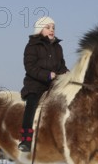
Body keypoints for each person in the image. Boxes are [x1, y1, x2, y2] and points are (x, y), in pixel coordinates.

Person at [18, 16, 68, 152]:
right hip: (35, 83)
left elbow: (62, 67)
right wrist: (47, 75)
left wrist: (68, 75)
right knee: (32, 102)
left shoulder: (58, 47)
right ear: (40, 29)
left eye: (53, 28)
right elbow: (30, 67)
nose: (52, 30)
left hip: (54, 85)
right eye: (48, 27)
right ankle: (26, 139)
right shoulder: (32, 46)